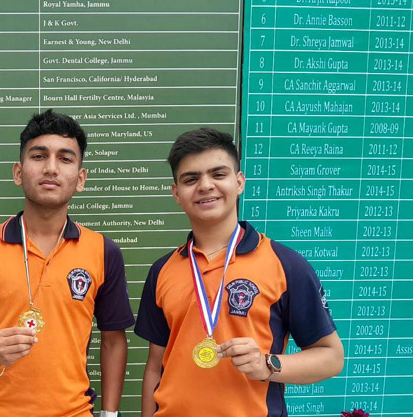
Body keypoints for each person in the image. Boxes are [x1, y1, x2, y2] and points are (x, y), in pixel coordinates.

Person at [0, 109, 133, 417]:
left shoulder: (103, 251)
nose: (51, 168)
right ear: (19, 172)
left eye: (65, 159)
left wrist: (109, 413)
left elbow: (113, 340)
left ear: (80, 178)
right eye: (39, 156)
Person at [135, 128, 344, 416]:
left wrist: (267, 365)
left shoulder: (286, 264)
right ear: (176, 194)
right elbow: (155, 366)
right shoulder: (162, 271)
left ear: (239, 182)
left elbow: (331, 357)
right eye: (191, 179)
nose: (205, 185)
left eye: (218, 174)